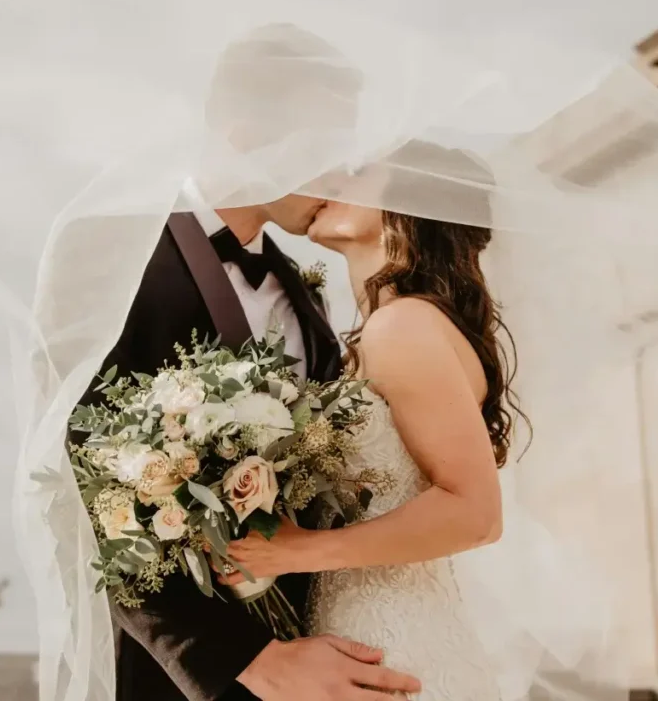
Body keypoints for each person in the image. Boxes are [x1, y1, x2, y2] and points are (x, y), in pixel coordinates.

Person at [77, 24, 422, 701]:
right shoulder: (110, 254)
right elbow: (77, 488)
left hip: (324, 653)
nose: (338, 173)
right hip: (184, 680)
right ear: (242, 133)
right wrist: (244, 661)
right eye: (322, 147)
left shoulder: (304, 296)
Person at [222, 147, 528, 700]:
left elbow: (476, 513)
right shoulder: (383, 330)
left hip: (392, 639)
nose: (332, 176)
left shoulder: (403, 327)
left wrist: (297, 551)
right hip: (359, 629)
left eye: (359, 172)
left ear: (413, 203)